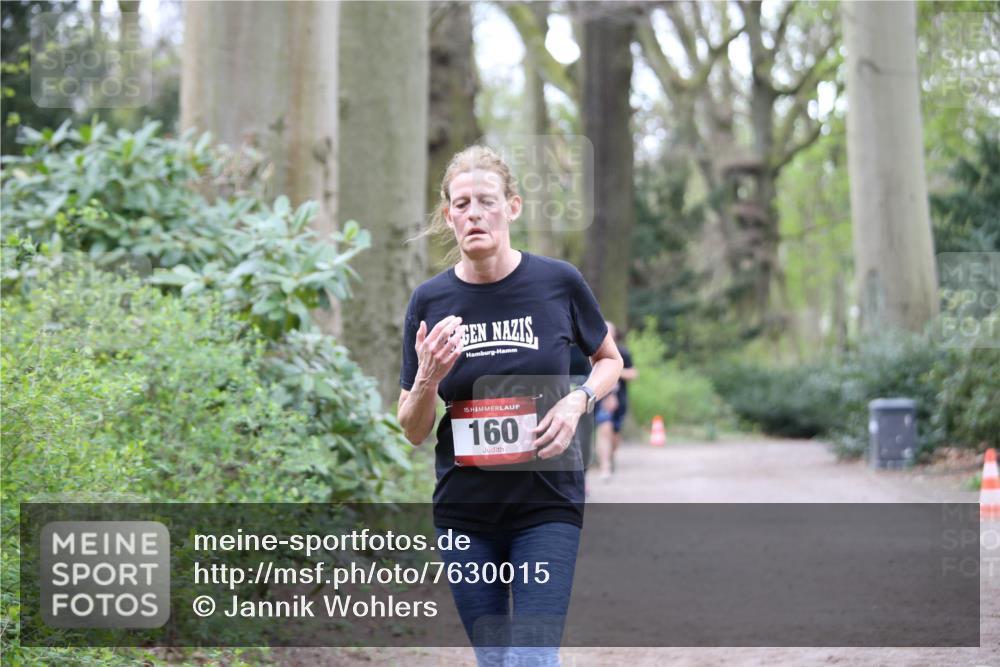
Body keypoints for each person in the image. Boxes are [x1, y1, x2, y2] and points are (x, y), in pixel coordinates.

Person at [397, 145, 623, 666]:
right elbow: (412, 428)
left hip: (547, 503)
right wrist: (429, 377)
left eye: (486, 201)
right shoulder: (429, 302)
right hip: (465, 510)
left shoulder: (557, 282)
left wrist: (577, 401)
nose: (473, 213)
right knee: (497, 660)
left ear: (513, 207)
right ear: (448, 215)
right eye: (460, 204)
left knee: (530, 657)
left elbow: (606, 360)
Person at [592, 322, 636, 481]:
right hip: (601, 399)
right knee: (604, 428)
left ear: (615, 335)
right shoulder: (592, 351)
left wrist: (615, 368)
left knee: (615, 435)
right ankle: (605, 467)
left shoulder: (623, 352)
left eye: (609, 332)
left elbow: (633, 374)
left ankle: (609, 455)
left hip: (620, 400)